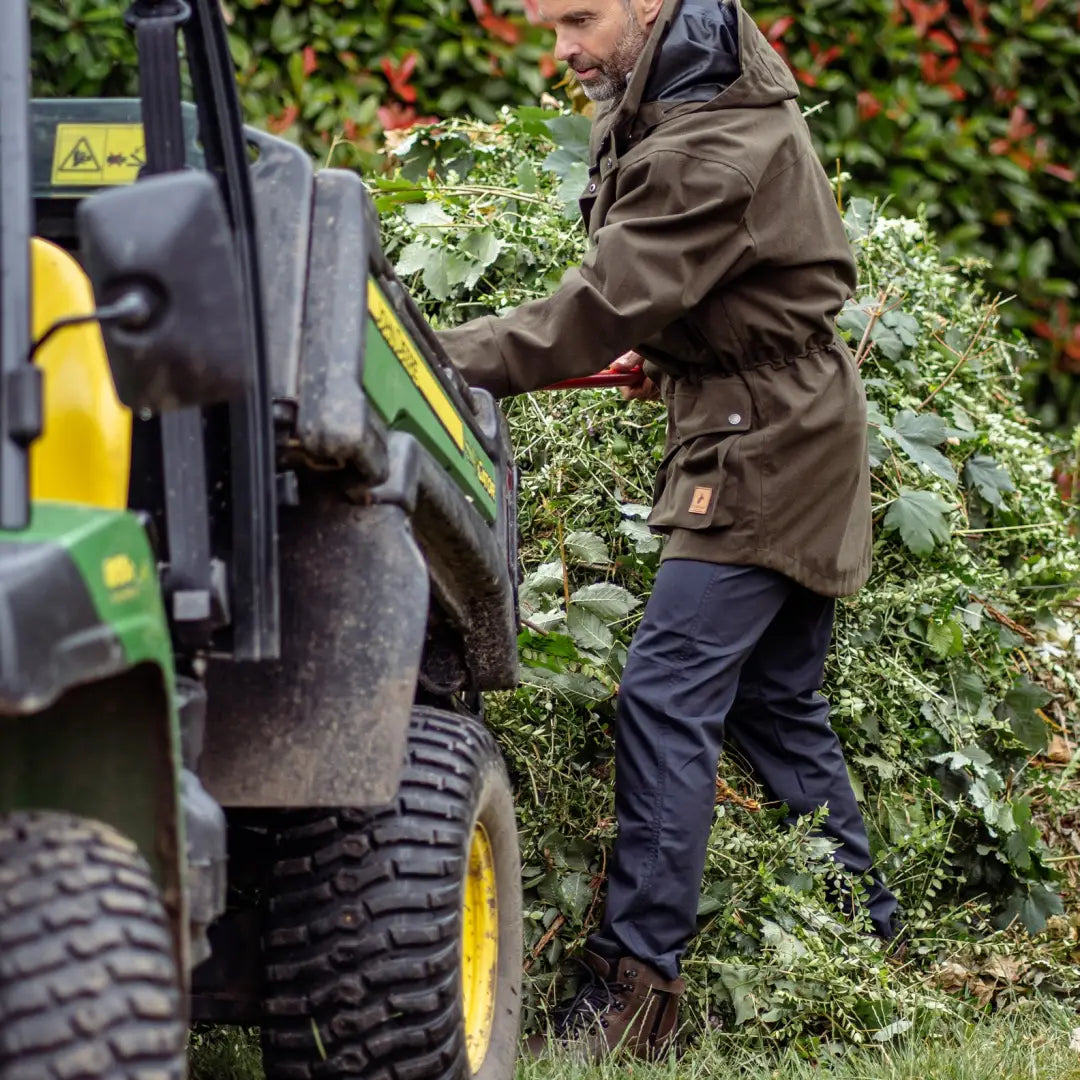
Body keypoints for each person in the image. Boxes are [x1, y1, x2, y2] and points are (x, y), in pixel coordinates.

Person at [436, 0, 900, 1060]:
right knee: (777, 707)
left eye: (580, 20)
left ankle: (635, 989)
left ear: (651, 3)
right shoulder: (686, 84)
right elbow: (714, 279)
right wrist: (697, 344)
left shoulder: (714, 141)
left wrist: (417, 349)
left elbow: (592, 309)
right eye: (550, 28)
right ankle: (864, 943)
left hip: (767, 448)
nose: (564, 53)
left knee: (665, 692)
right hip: (765, 419)